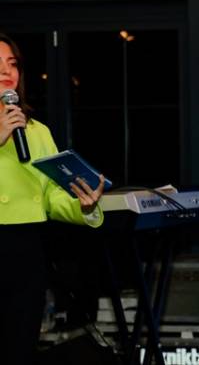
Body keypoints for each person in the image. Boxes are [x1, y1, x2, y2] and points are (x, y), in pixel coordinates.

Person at [0, 32, 107, 365]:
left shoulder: (36, 130)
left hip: (25, 250)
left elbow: (49, 195)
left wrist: (83, 204)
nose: (6, 71)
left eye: (12, 63)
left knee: (20, 349)